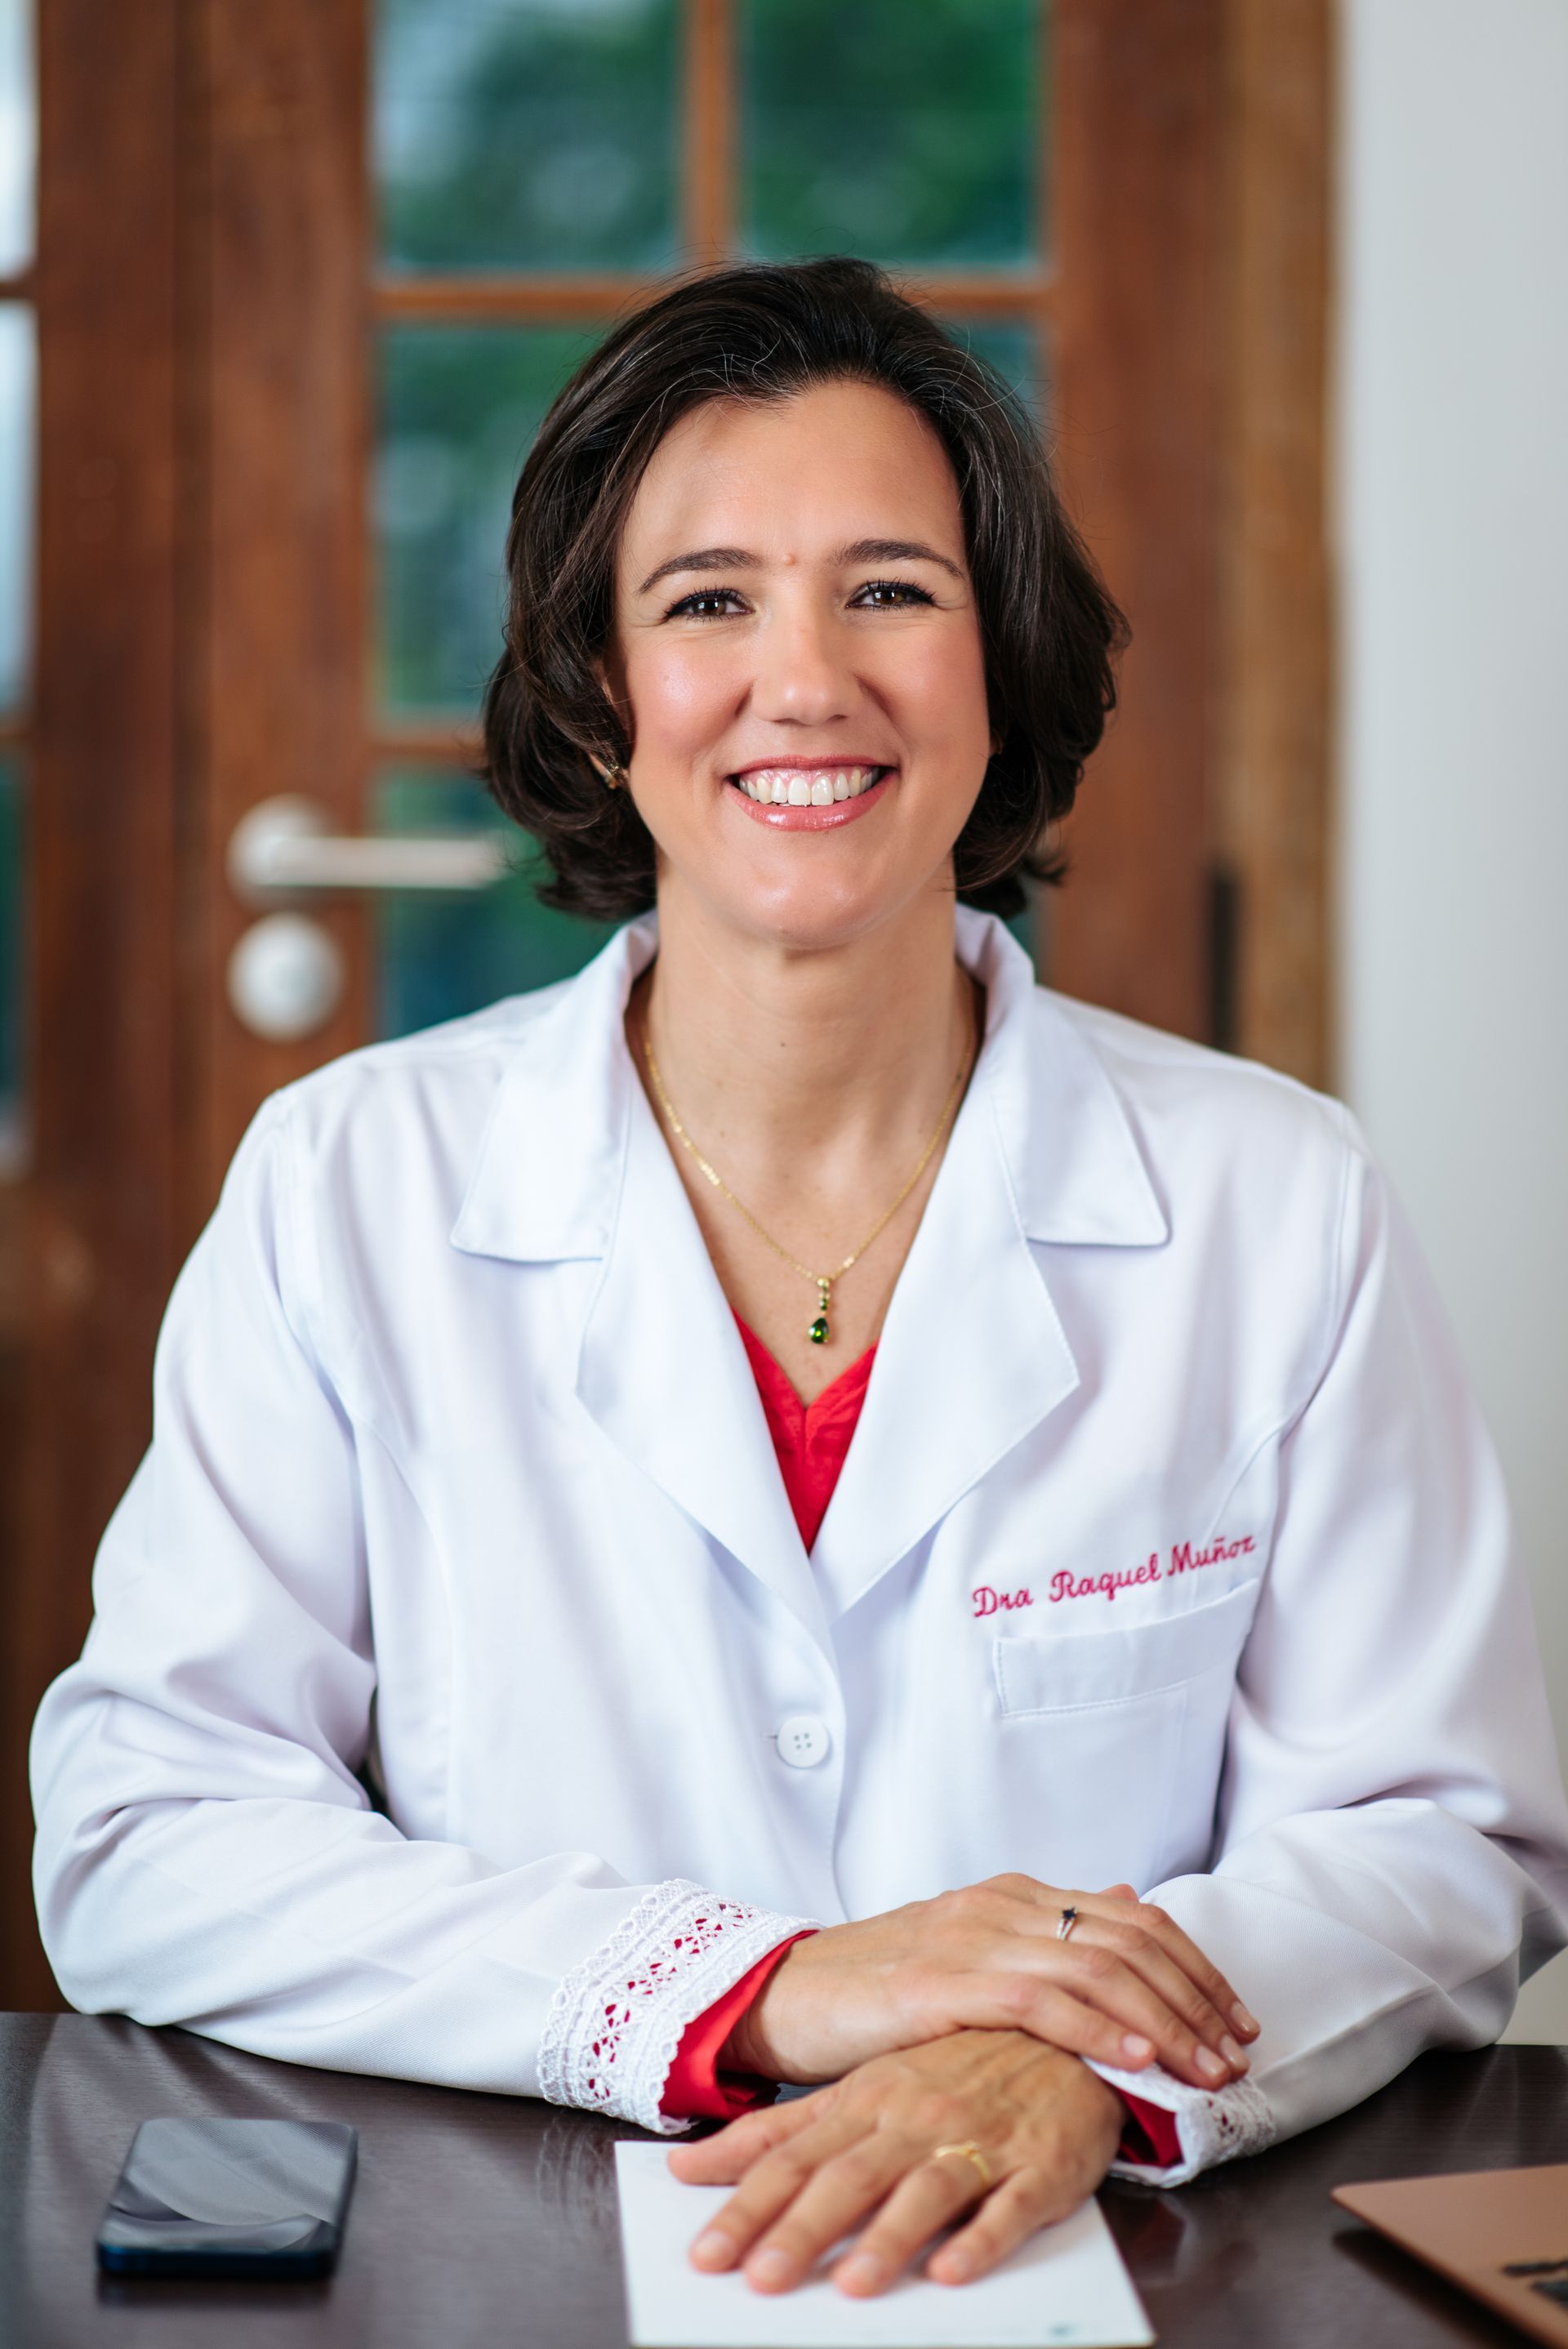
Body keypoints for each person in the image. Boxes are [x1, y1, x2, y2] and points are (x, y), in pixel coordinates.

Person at [30, 256, 1568, 2302]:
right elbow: (150, 1830)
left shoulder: (1270, 1197)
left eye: (892, 589)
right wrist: (749, 1987)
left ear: (998, 659)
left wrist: (1080, 2064)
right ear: (599, 688)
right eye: (708, 601)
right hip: (514, 2257)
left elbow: (1442, 1832)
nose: (806, 679)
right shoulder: (352, 1187)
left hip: (1095, 2257)